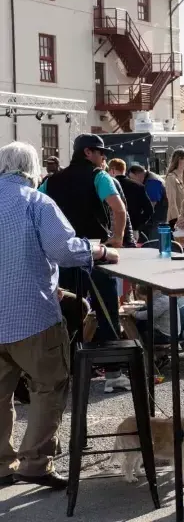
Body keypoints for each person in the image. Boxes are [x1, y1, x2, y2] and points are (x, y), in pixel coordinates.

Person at [0, 142, 118, 489]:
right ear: (33, 169)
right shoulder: (36, 202)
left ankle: (2, 466)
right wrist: (98, 250)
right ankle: (35, 463)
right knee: (48, 386)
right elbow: (62, 249)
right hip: (31, 313)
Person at [42, 134, 130, 393]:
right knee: (106, 312)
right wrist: (117, 238)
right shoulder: (99, 176)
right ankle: (113, 374)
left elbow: (38, 209)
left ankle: (64, 372)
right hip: (95, 253)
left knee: (66, 313)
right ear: (88, 153)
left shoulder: (51, 180)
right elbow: (119, 209)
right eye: (101, 153)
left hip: (64, 254)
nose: (104, 158)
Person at [132, 284, 184, 363]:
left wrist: (133, 313)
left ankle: (154, 359)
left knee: (139, 335)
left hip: (167, 335)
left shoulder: (161, 301)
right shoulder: (160, 298)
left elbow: (149, 314)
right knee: (141, 326)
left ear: (147, 294)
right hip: (171, 332)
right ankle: (160, 356)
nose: (143, 300)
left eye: (142, 298)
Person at [109, 158, 153, 237]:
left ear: (112, 170)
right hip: (133, 229)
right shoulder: (138, 186)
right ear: (124, 169)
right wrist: (137, 224)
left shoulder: (108, 186)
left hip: (112, 230)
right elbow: (149, 210)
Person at [128, 164, 167, 239]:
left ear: (138, 174)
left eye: (132, 178)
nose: (132, 181)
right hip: (158, 219)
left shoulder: (152, 182)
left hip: (157, 221)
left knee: (153, 245)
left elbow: (151, 205)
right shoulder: (152, 177)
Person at [164, 147, 184, 229]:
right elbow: (172, 203)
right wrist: (177, 222)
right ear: (180, 160)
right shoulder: (171, 178)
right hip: (176, 220)